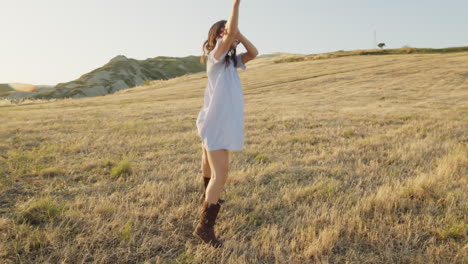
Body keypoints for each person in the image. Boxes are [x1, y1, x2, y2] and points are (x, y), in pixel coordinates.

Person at [194, 0, 258, 248]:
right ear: (219, 37)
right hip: (216, 124)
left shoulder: (231, 62)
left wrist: (239, 35)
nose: (233, 35)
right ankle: (204, 227)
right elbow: (229, 33)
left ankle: (208, 198)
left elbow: (254, 53)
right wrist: (236, 4)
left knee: (209, 169)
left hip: (215, 121)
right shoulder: (216, 56)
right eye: (228, 32)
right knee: (221, 174)